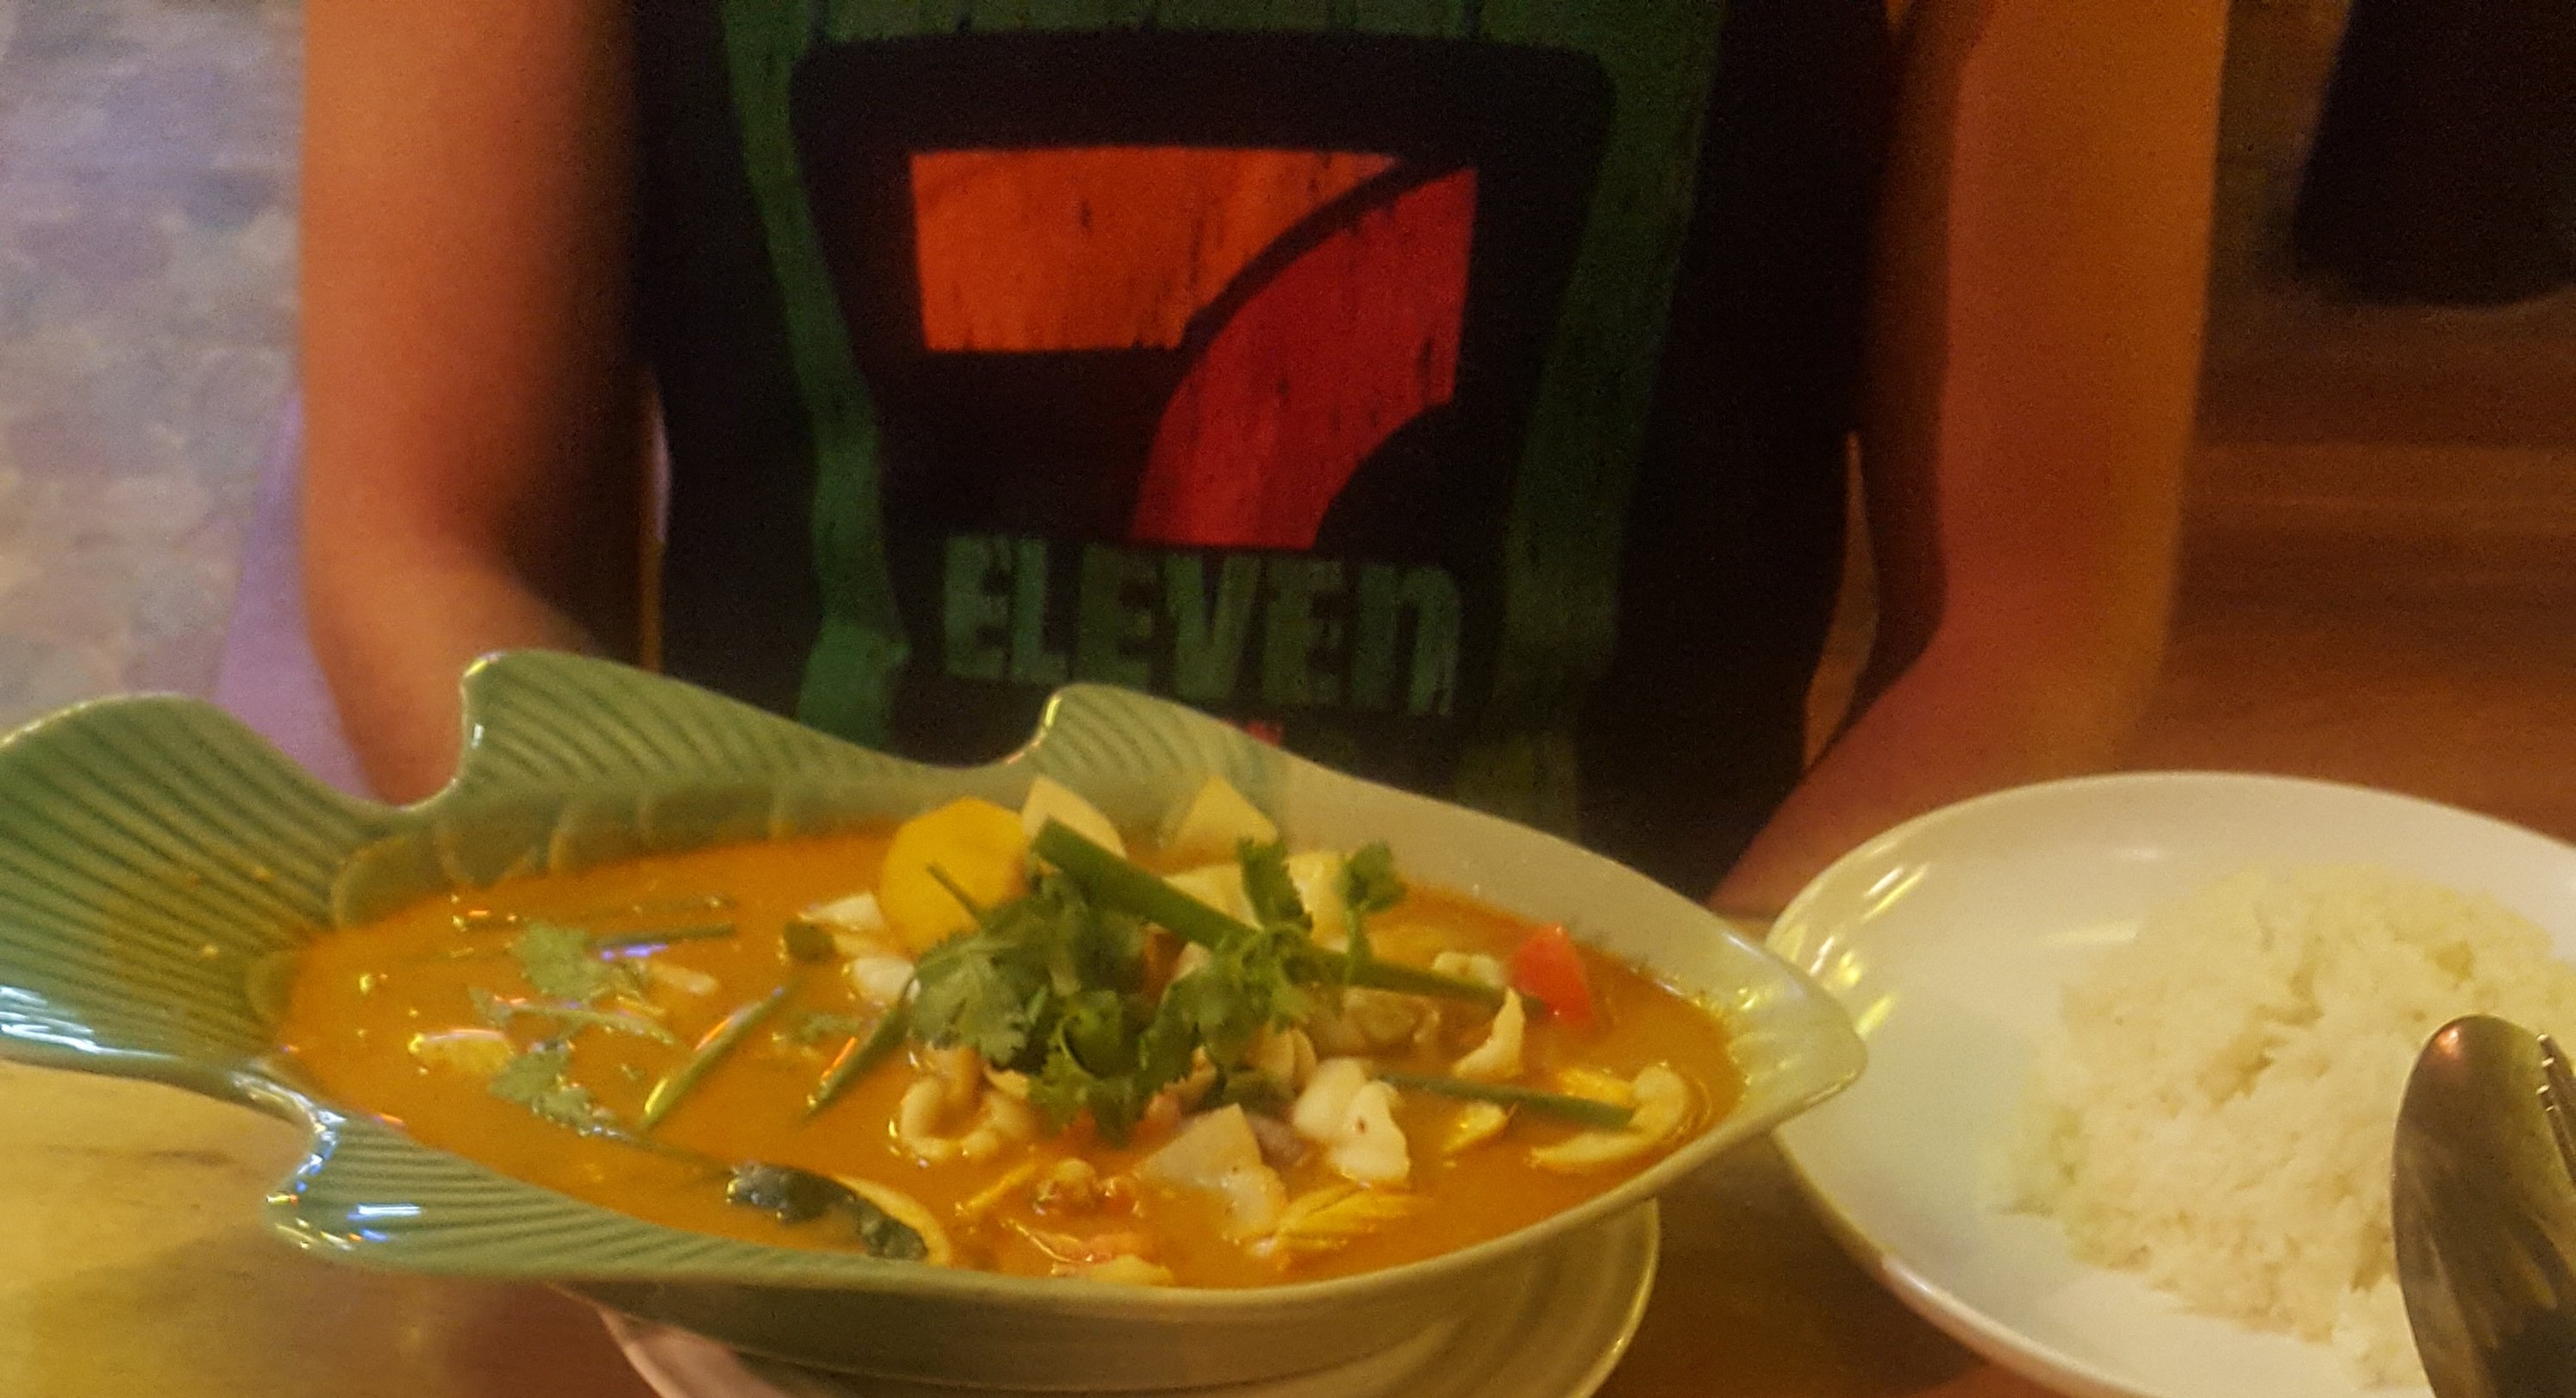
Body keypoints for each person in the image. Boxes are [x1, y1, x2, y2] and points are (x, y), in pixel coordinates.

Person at [300, 0, 2229, 917]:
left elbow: (2030, 627)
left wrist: (1693, 1084)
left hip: (1662, 1135)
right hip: (763, 1109)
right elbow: (429, 542)